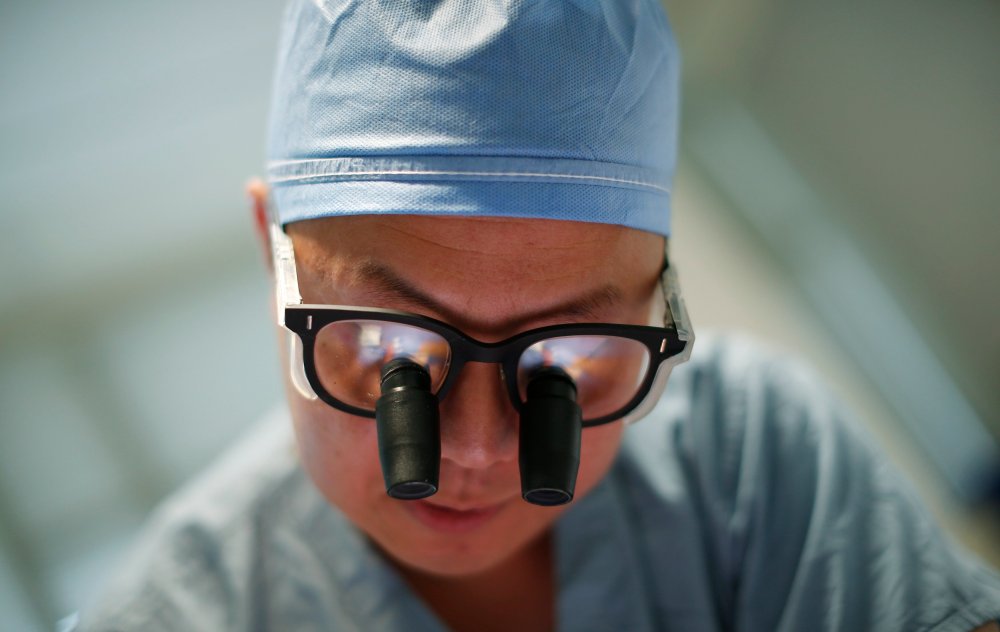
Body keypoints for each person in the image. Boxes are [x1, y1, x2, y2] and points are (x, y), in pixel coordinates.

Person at [75, 0, 1000, 630]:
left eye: (566, 360)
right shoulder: (171, 613)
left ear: (660, 291)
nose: (478, 452)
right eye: (393, 349)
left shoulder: (748, 455)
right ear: (268, 250)